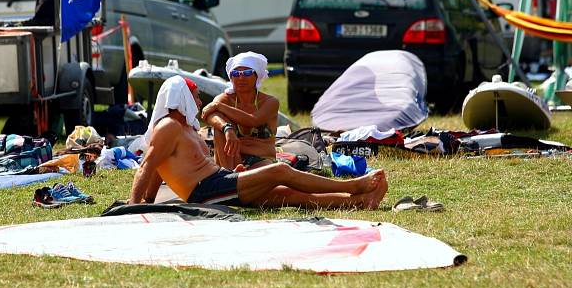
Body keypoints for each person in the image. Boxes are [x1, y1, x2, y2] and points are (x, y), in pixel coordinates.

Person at [129, 76, 387, 209]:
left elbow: (158, 168)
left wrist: (148, 200)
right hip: (206, 191)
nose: (198, 103)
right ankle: (354, 185)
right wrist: (132, 207)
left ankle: (357, 202)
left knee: (284, 196)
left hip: (219, 181)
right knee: (280, 171)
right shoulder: (170, 126)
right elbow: (148, 166)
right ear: (182, 97)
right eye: (195, 97)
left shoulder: (182, 128)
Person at [202, 52, 278, 169]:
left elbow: (253, 120)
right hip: (231, 159)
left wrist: (219, 106)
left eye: (247, 73)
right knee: (220, 129)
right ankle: (230, 177)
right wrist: (227, 129)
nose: (241, 77)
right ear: (231, 77)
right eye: (236, 73)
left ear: (256, 76)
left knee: (265, 172)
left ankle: (234, 179)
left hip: (262, 158)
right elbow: (209, 115)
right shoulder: (224, 99)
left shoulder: (270, 102)